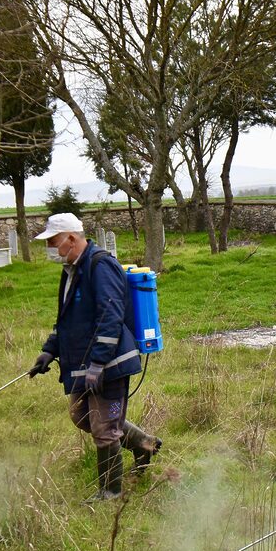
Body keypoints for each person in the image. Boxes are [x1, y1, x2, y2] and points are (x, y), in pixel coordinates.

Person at [28, 213, 161, 502]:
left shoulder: (101, 266)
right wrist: (49, 350)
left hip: (109, 363)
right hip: (85, 364)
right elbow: (67, 320)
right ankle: (145, 443)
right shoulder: (72, 270)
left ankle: (110, 492)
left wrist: (98, 363)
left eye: (53, 241)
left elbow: (110, 316)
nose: (50, 248)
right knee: (81, 415)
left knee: (104, 429)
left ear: (72, 239)